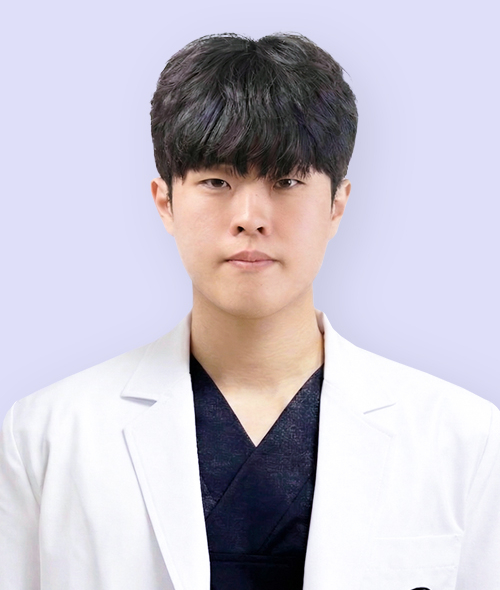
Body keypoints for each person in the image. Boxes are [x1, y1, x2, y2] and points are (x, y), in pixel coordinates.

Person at [0, 32, 499, 590]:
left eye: (286, 181)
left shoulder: (464, 439)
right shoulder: (45, 436)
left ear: (337, 204)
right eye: (217, 181)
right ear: (165, 202)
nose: (250, 217)